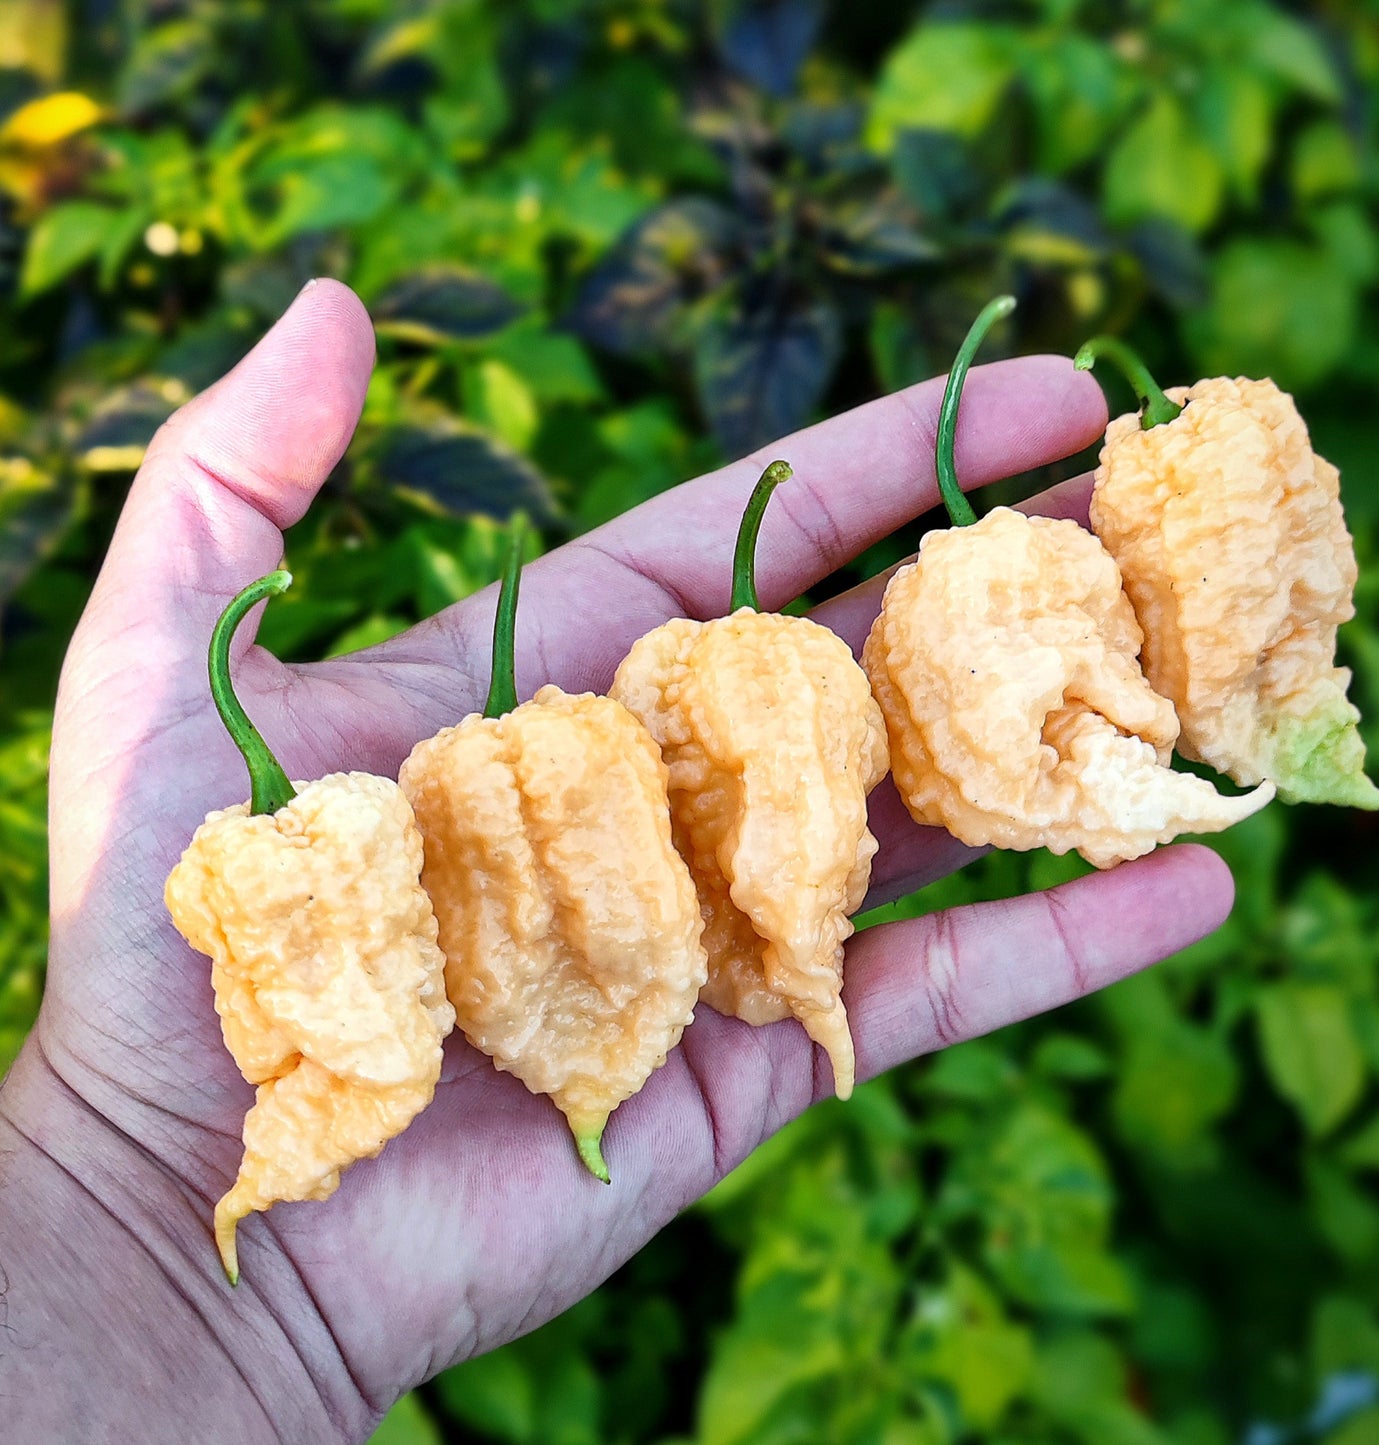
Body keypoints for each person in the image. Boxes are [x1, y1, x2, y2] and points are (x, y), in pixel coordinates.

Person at [0, 280, 1233, 1443]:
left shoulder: (595, 738)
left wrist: (124, 1210)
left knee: (780, 915)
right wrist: (128, 1180)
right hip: (426, 1029)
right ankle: (615, 1080)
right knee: (674, 931)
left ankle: (705, 1029)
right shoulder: (364, 822)